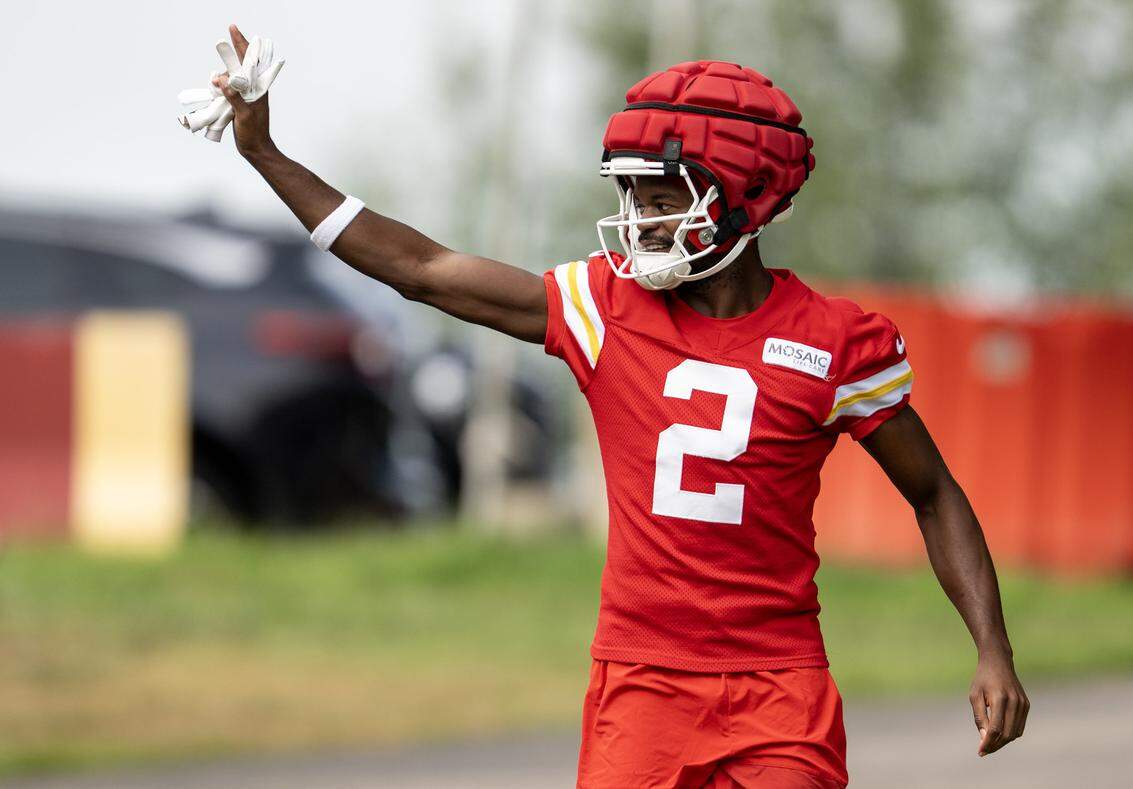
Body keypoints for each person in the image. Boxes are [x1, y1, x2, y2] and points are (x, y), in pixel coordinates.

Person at [210, 25, 1029, 789]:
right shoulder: (604, 307)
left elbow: (933, 492)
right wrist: (267, 155)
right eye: (636, 195)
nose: (644, 220)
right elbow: (422, 267)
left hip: (779, 688)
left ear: (746, 195)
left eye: (667, 195)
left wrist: (991, 645)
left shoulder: (836, 342)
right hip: (642, 684)